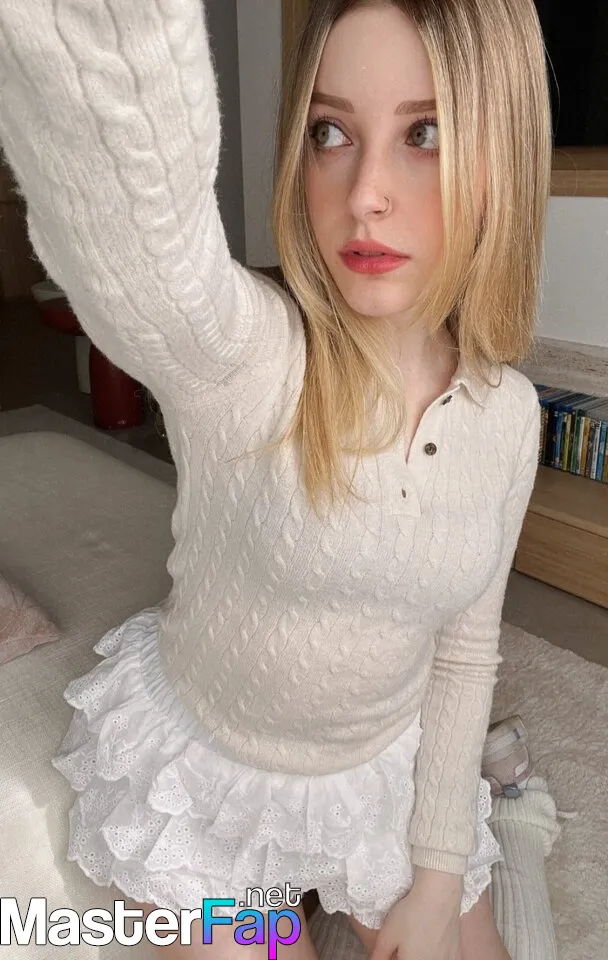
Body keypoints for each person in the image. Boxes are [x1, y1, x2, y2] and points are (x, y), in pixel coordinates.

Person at [0, 0, 552, 957]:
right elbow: (140, 250)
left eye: (424, 134)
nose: (365, 193)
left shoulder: (509, 418)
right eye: (331, 133)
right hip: (207, 786)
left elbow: (465, 652)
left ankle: (495, 813)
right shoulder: (243, 358)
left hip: (382, 770)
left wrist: (436, 873)